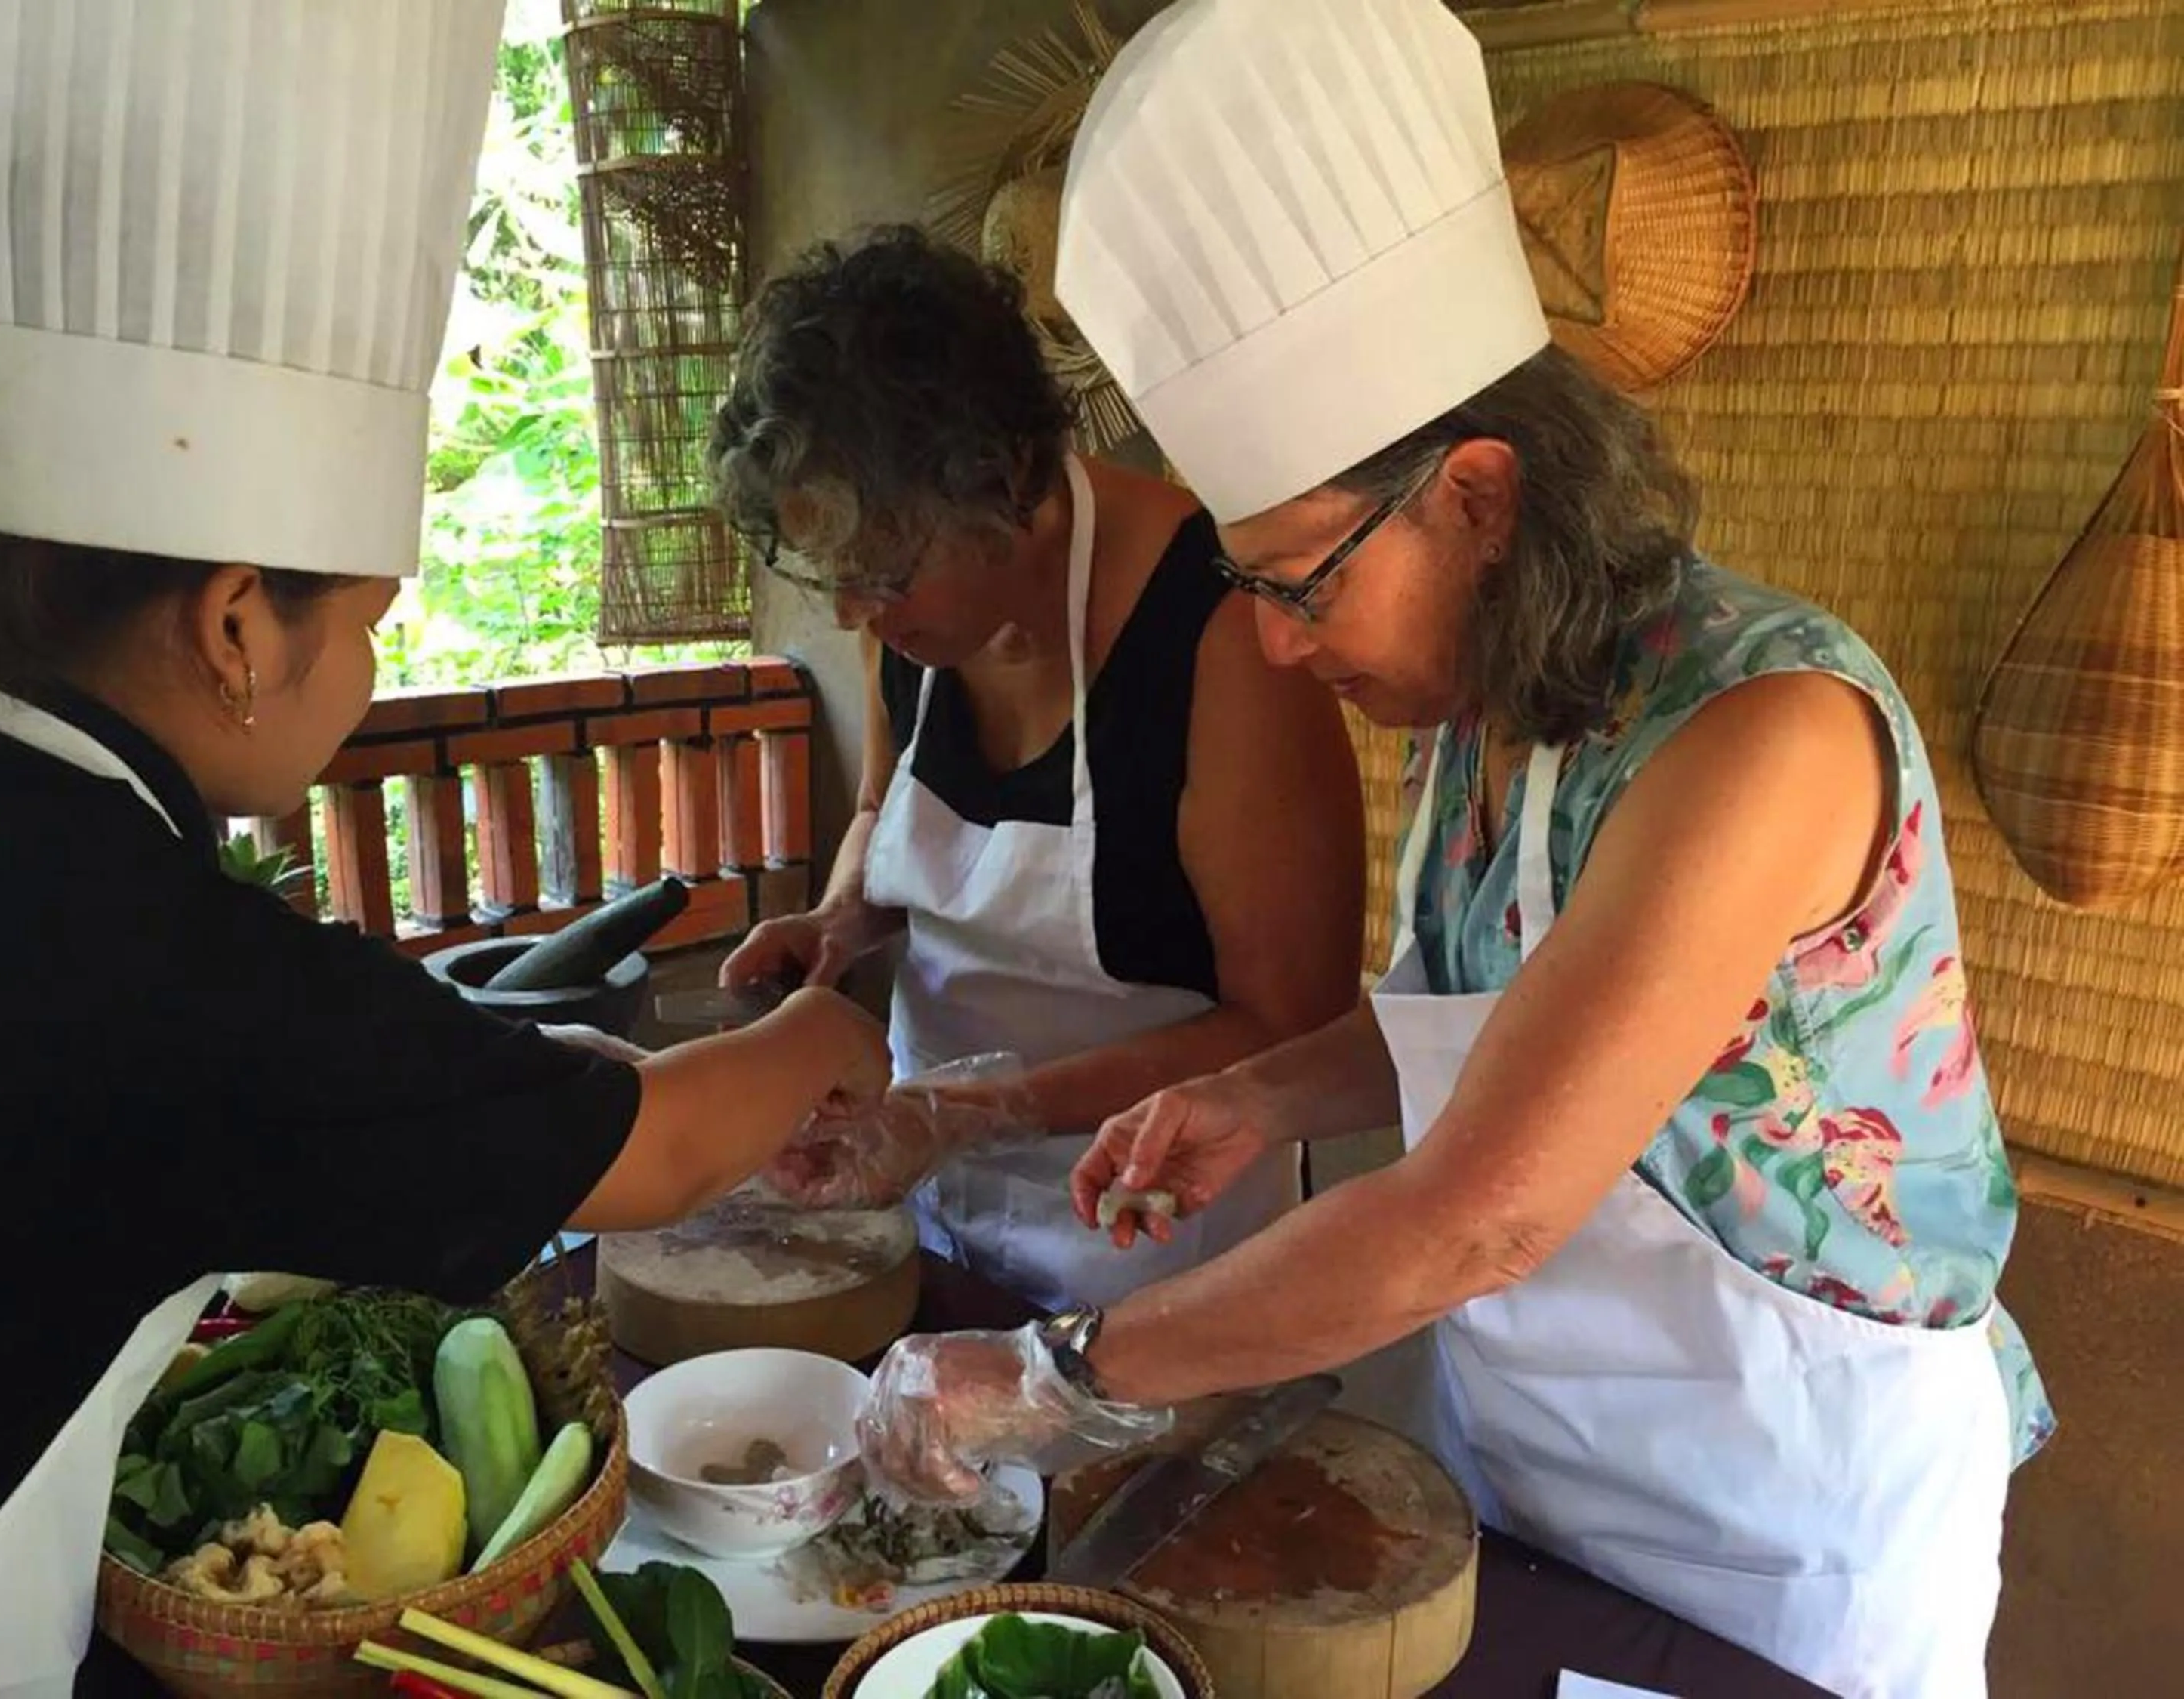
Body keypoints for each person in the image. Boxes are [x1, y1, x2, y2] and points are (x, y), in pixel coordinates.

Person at [855, 4, 2053, 1696]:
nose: (1272, 648)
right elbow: (1482, 1022)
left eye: (1293, 581)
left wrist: (1051, 1375)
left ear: (1477, 501)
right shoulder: (1493, 713)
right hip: (1521, 1475)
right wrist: (1262, 1096)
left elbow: (1475, 1219)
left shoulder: (1764, 739)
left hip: (1784, 1525)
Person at [0, 11, 884, 1696]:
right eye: (366, 626)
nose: (367, 677)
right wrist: (840, 1036)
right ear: (237, 624)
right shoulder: (176, 967)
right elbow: (652, 1155)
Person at [710, 227, 1365, 1312]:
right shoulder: (906, 618)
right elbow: (885, 806)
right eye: (835, 575)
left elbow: (1292, 1023)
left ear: (1005, 484)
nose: (850, 612)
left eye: (880, 574)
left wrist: (970, 1111)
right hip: (921, 1193)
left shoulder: (1219, 634)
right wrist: (840, 921)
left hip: (1151, 1232)